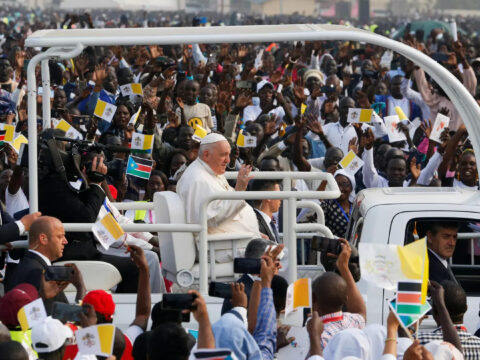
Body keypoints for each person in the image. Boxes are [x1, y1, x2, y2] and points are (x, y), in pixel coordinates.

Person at [177, 132, 261, 263]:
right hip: (220, 247)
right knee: (282, 259)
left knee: (278, 255)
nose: (228, 160)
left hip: (235, 241)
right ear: (206, 155)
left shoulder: (210, 171)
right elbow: (210, 219)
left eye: (228, 154)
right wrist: (239, 190)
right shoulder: (197, 180)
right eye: (223, 155)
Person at [4, 216, 86, 311]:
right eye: (60, 236)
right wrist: (81, 287)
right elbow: (65, 320)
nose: (65, 241)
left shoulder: (21, 266)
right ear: (43, 239)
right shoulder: (42, 274)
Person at [311, 239, 366, 349]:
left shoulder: (314, 337)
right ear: (346, 298)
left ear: (313, 298)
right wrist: (343, 266)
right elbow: (360, 312)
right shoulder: (352, 322)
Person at [416, 280, 480, 359]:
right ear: (466, 308)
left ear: (434, 311)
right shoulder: (478, 344)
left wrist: (410, 329)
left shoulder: (418, 343)